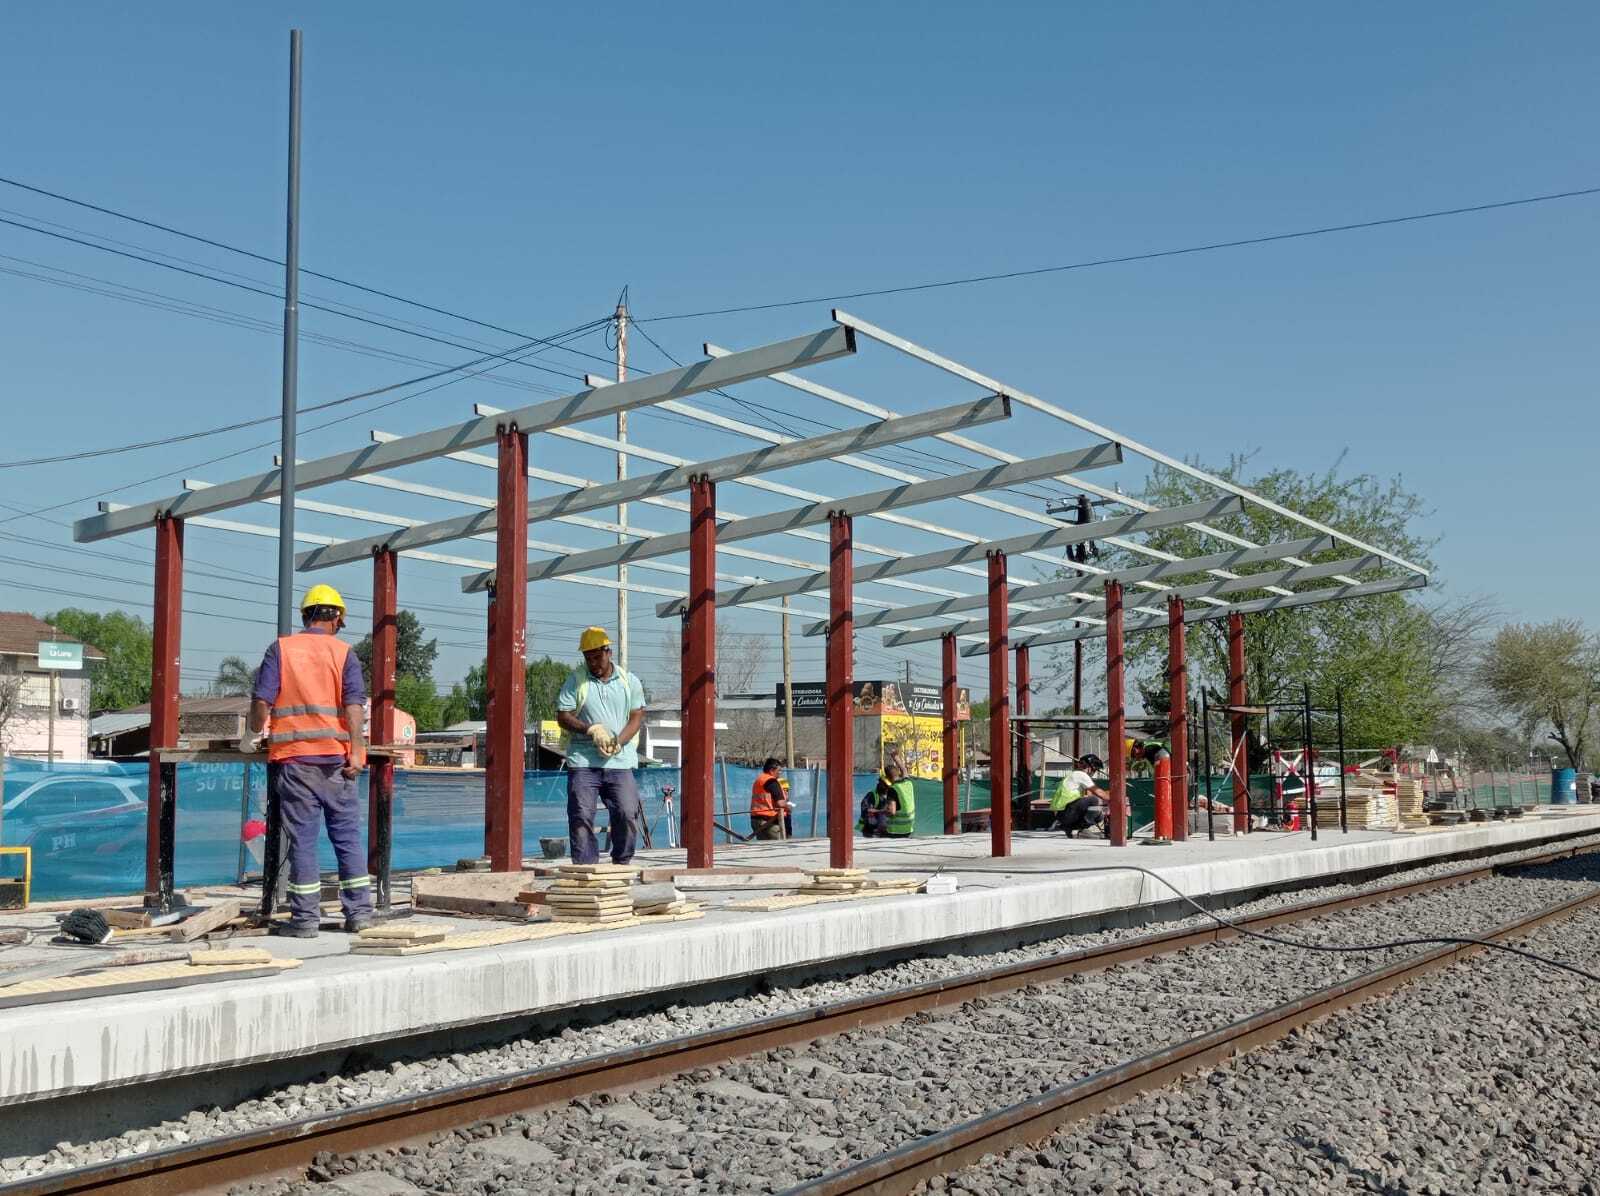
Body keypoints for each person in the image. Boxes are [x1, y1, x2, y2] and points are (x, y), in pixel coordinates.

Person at [247, 584, 371, 938]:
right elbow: (353, 707)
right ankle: (359, 914)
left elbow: (261, 703)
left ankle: (305, 921)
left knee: (302, 840)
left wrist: (252, 733)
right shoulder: (345, 653)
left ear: (305, 616)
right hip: (337, 762)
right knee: (346, 838)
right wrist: (358, 751)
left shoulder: (281, 649)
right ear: (338, 619)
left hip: (295, 760)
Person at [555, 627, 646, 865]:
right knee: (581, 815)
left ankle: (621, 863)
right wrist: (591, 729)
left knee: (627, 812)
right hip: (584, 762)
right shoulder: (577, 681)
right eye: (588, 658)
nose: (593, 662)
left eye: (597, 656)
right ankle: (586, 870)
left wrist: (620, 741)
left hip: (619, 762)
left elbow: (637, 715)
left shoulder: (629, 681)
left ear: (609, 652)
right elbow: (563, 716)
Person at [1051, 753, 1110, 838]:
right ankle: (1081, 830)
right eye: (1095, 770)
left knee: (1099, 815)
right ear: (1090, 767)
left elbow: (1089, 794)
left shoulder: (1074, 774)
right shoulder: (1081, 775)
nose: (1094, 772)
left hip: (1062, 814)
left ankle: (1069, 828)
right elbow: (1098, 793)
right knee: (1094, 800)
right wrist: (1115, 799)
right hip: (1065, 812)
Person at [859, 759, 916, 838]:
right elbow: (866, 811)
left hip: (892, 830)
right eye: (883, 784)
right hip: (872, 831)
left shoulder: (892, 791)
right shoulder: (872, 795)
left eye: (887, 785)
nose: (885, 787)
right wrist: (881, 811)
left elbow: (904, 771)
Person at [750, 757, 792, 840]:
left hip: (757, 820)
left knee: (765, 849)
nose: (780, 773)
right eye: (779, 770)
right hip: (770, 822)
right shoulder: (772, 781)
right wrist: (788, 807)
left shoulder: (759, 780)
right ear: (772, 770)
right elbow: (780, 803)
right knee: (778, 848)